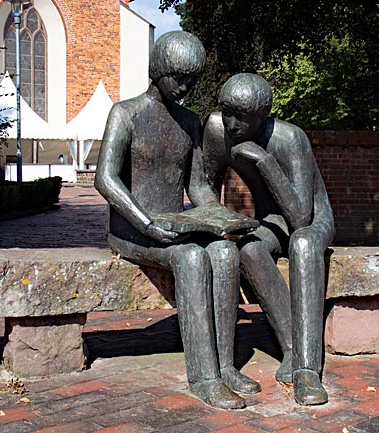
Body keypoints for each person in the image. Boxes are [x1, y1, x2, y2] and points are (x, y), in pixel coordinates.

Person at [94, 32, 253, 409]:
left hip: (171, 226)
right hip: (131, 228)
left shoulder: (190, 121)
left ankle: (225, 365)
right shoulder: (125, 113)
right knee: (192, 258)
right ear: (158, 71)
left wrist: (218, 217)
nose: (185, 87)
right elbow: (106, 178)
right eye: (178, 77)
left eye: (192, 79)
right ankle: (204, 377)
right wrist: (146, 223)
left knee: (226, 254)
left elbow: (197, 183)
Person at [195, 73, 335, 405]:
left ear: (264, 114)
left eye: (242, 117)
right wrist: (216, 217)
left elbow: (301, 217)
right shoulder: (217, 131)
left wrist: (264, 160)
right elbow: (204, 184)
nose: (232, 124)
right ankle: (290, 346)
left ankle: (307, 371)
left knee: (302, 244)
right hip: (270, 220)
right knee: (249, 248)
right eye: (227, 112)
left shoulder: (290, 139)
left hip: (313, 218)